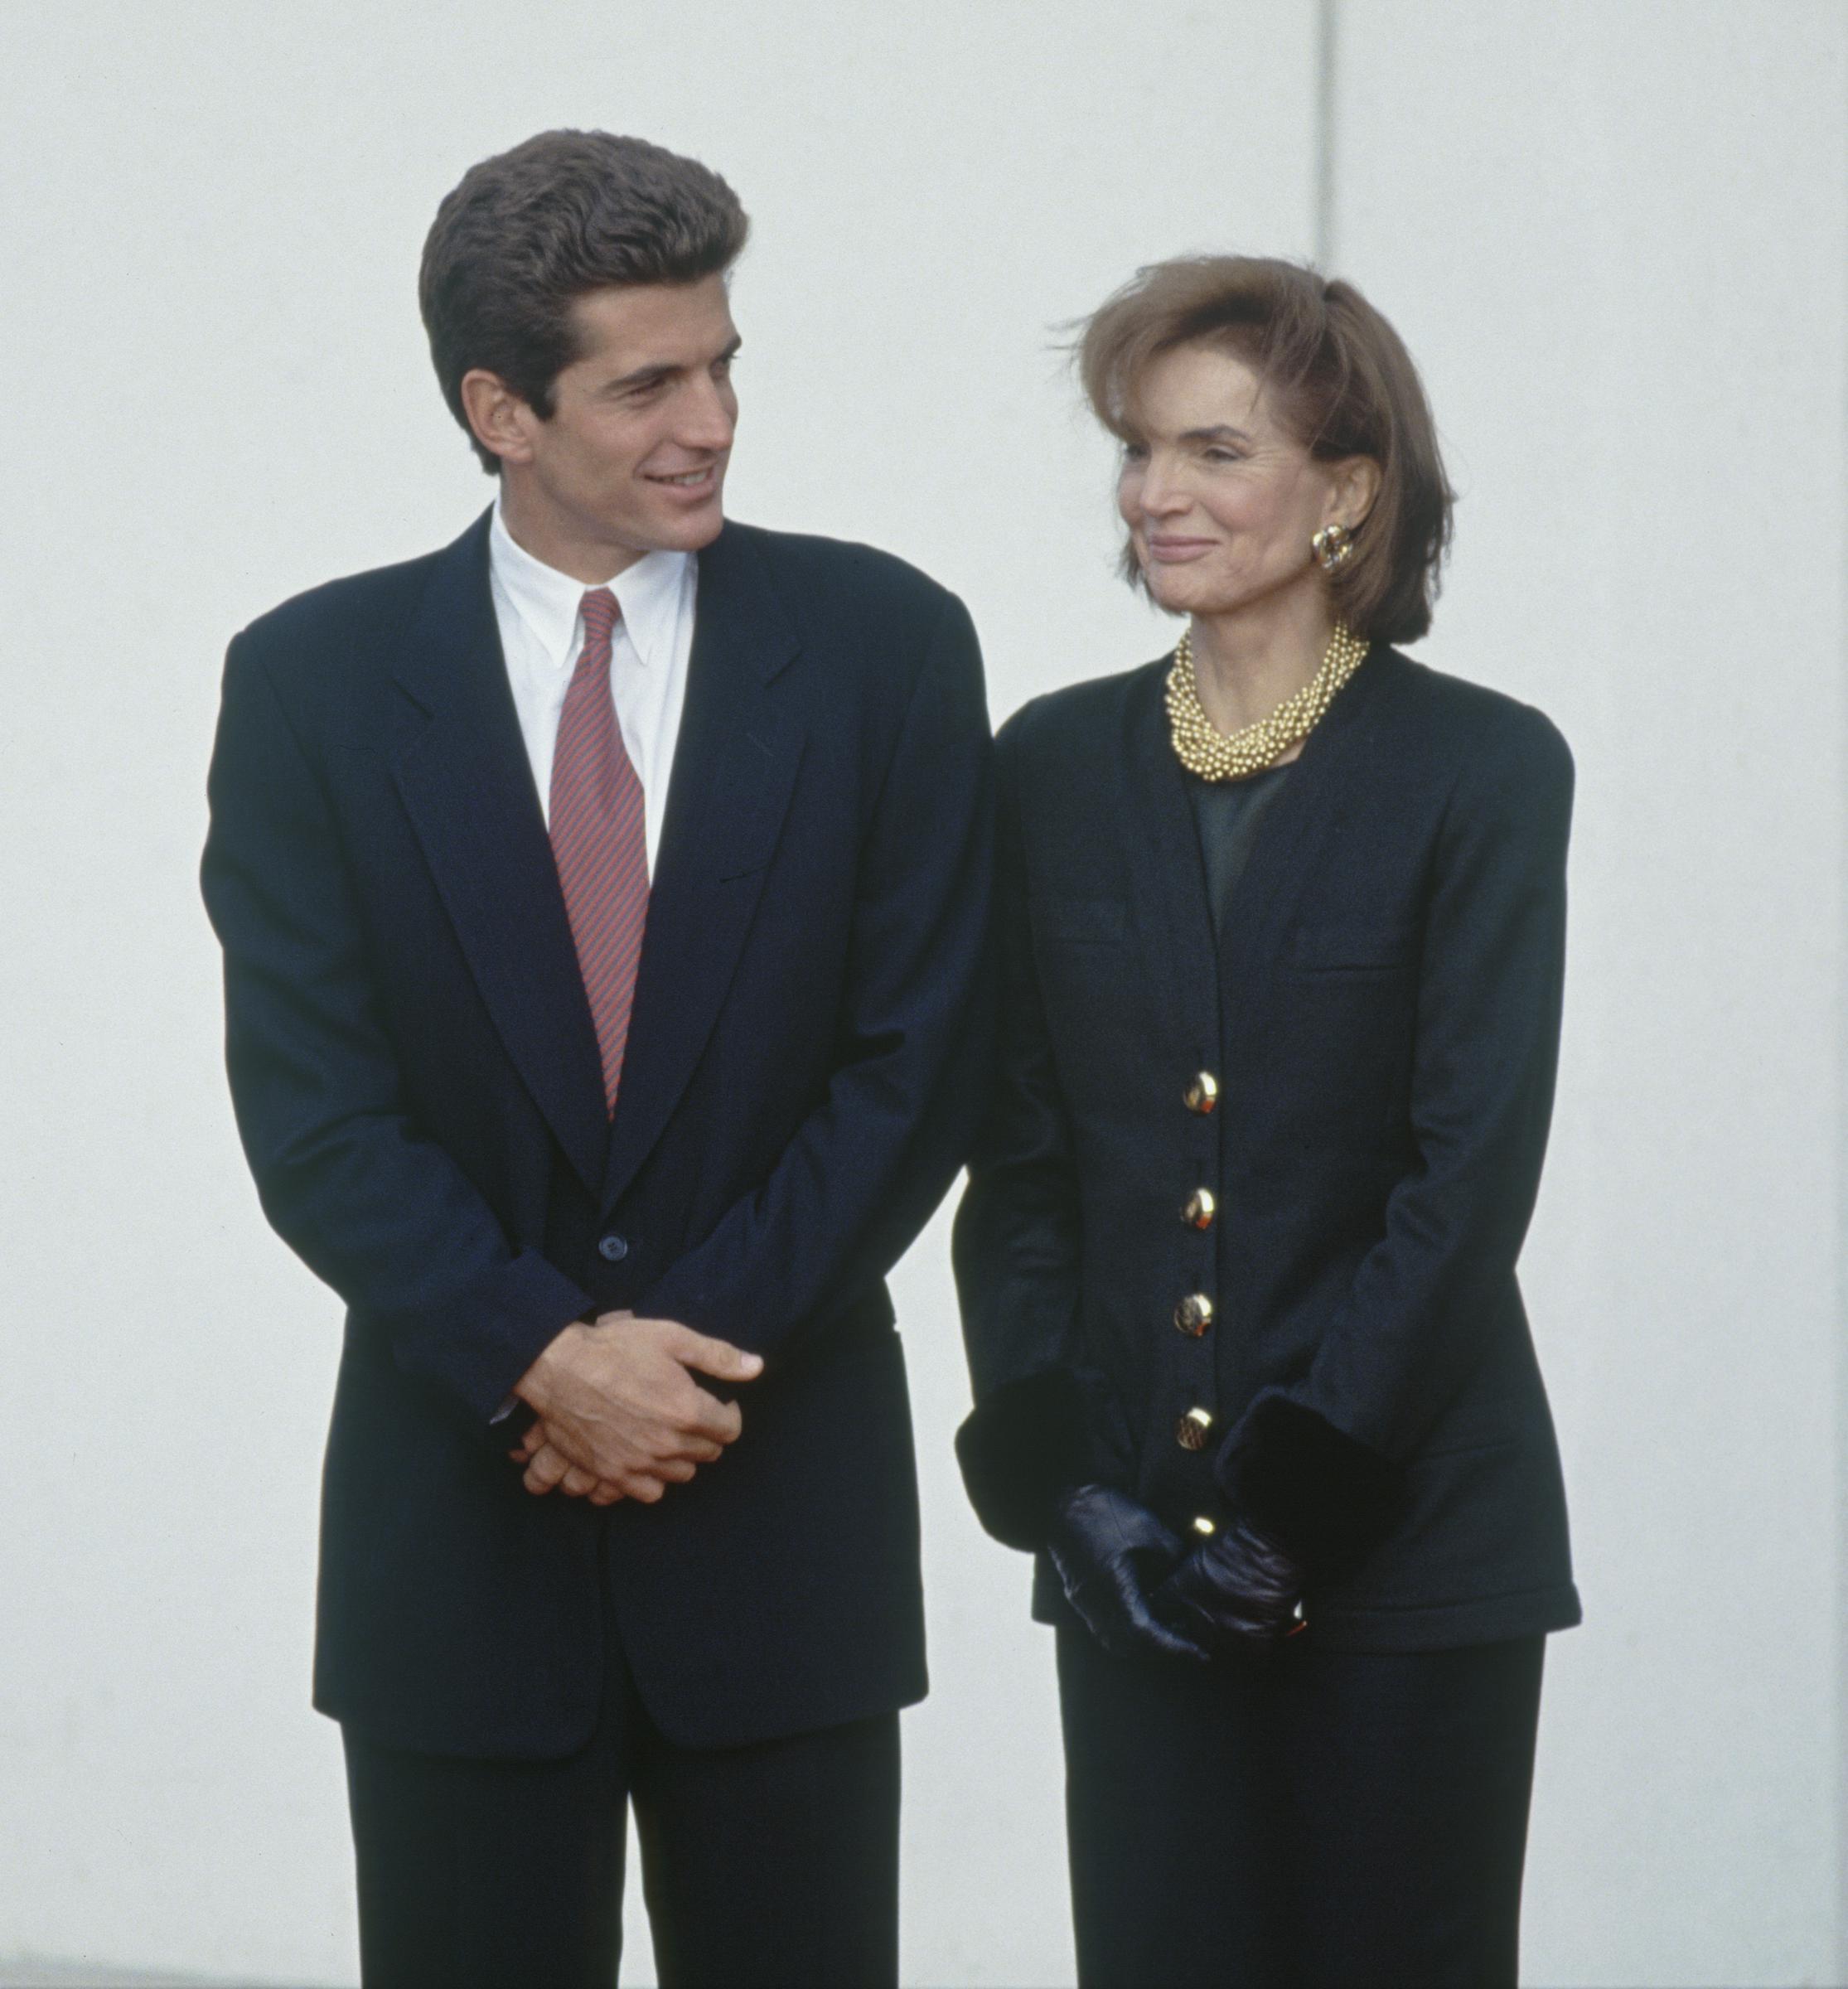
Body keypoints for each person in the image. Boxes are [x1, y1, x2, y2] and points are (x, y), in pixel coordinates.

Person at [200, 129, 990, 1988]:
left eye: (721, 362)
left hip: (778, 1532)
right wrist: (543, 1361)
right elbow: (314, 1114)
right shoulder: (311, 684)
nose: (708, 418)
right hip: (456, 1560)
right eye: (647, 381)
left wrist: (665, 1371)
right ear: (498, 409)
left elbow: (917, 1064)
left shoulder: (884, 647)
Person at [953, 255, 1579, 1987]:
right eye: (1139, 452)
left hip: (1413, 1542)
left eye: (1214, 451)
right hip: (1134, 1544)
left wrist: (1297, 1501)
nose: (1157, 494)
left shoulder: (1480, 768)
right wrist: (1062, 1489)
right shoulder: (1048, 766)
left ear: (1345, 490)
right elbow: (1014, 1173)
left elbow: (1465, 1180)